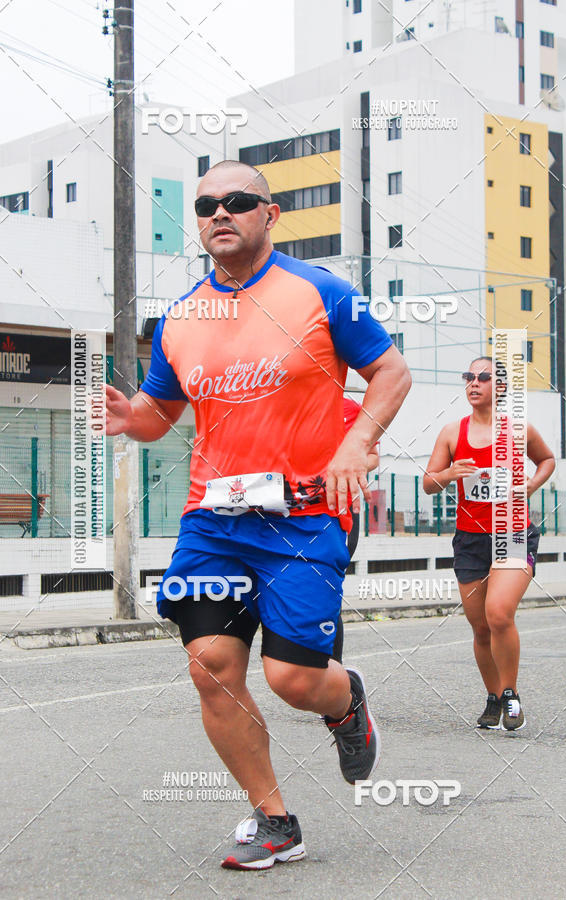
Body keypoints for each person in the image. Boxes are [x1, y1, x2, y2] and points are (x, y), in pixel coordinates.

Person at [105, 160, 411, 870]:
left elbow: (392, 373)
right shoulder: (181, 318)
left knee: (293, 679)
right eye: (208, 204)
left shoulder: (322, 293)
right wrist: (131, 417)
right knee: (210, 666)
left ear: (269, 214)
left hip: (306, 517)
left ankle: (344, 703)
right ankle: (275, 820)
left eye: (238, 201)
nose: (220, 213)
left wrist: (357, 443)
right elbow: (161, 415)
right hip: (214, 521)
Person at [423, 356, 554, 731]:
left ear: (500, 387)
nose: (473, 383)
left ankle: (511, 694)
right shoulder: (452, 432)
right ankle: (493, 697)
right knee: (480, 627)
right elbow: (429, 483)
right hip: (470, 540)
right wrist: (450, 472)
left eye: (483, 377)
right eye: (469, 377)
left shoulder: (518, 429)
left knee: (499, 613)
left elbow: (546, 460)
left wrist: (532, 483)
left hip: (513, 531)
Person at [331, 396, 380, 663]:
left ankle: (334, 677)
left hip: (339, 513)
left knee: (328, 592)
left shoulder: (351, 409)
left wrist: (350, 465)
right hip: (282, 516)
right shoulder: (282, 402)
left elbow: (372, 456)